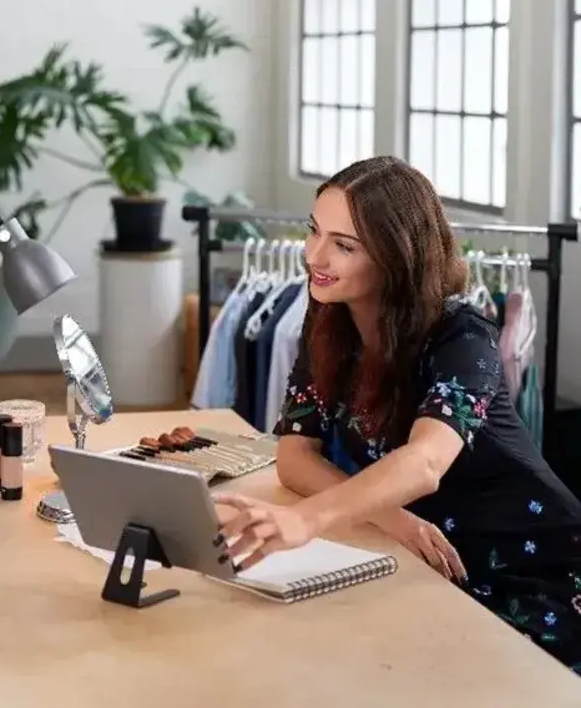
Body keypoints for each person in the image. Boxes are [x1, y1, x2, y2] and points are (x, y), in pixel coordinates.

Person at [213, 155, 581, 673]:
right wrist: (388, 515)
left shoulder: (463, 337)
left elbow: (425, 462)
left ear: (396, 257)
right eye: (314, 232)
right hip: (433, 559)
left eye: (343, 246)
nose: (314, 255)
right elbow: (295, 455)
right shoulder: (328, 321)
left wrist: (303, 520)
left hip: (536, 566)